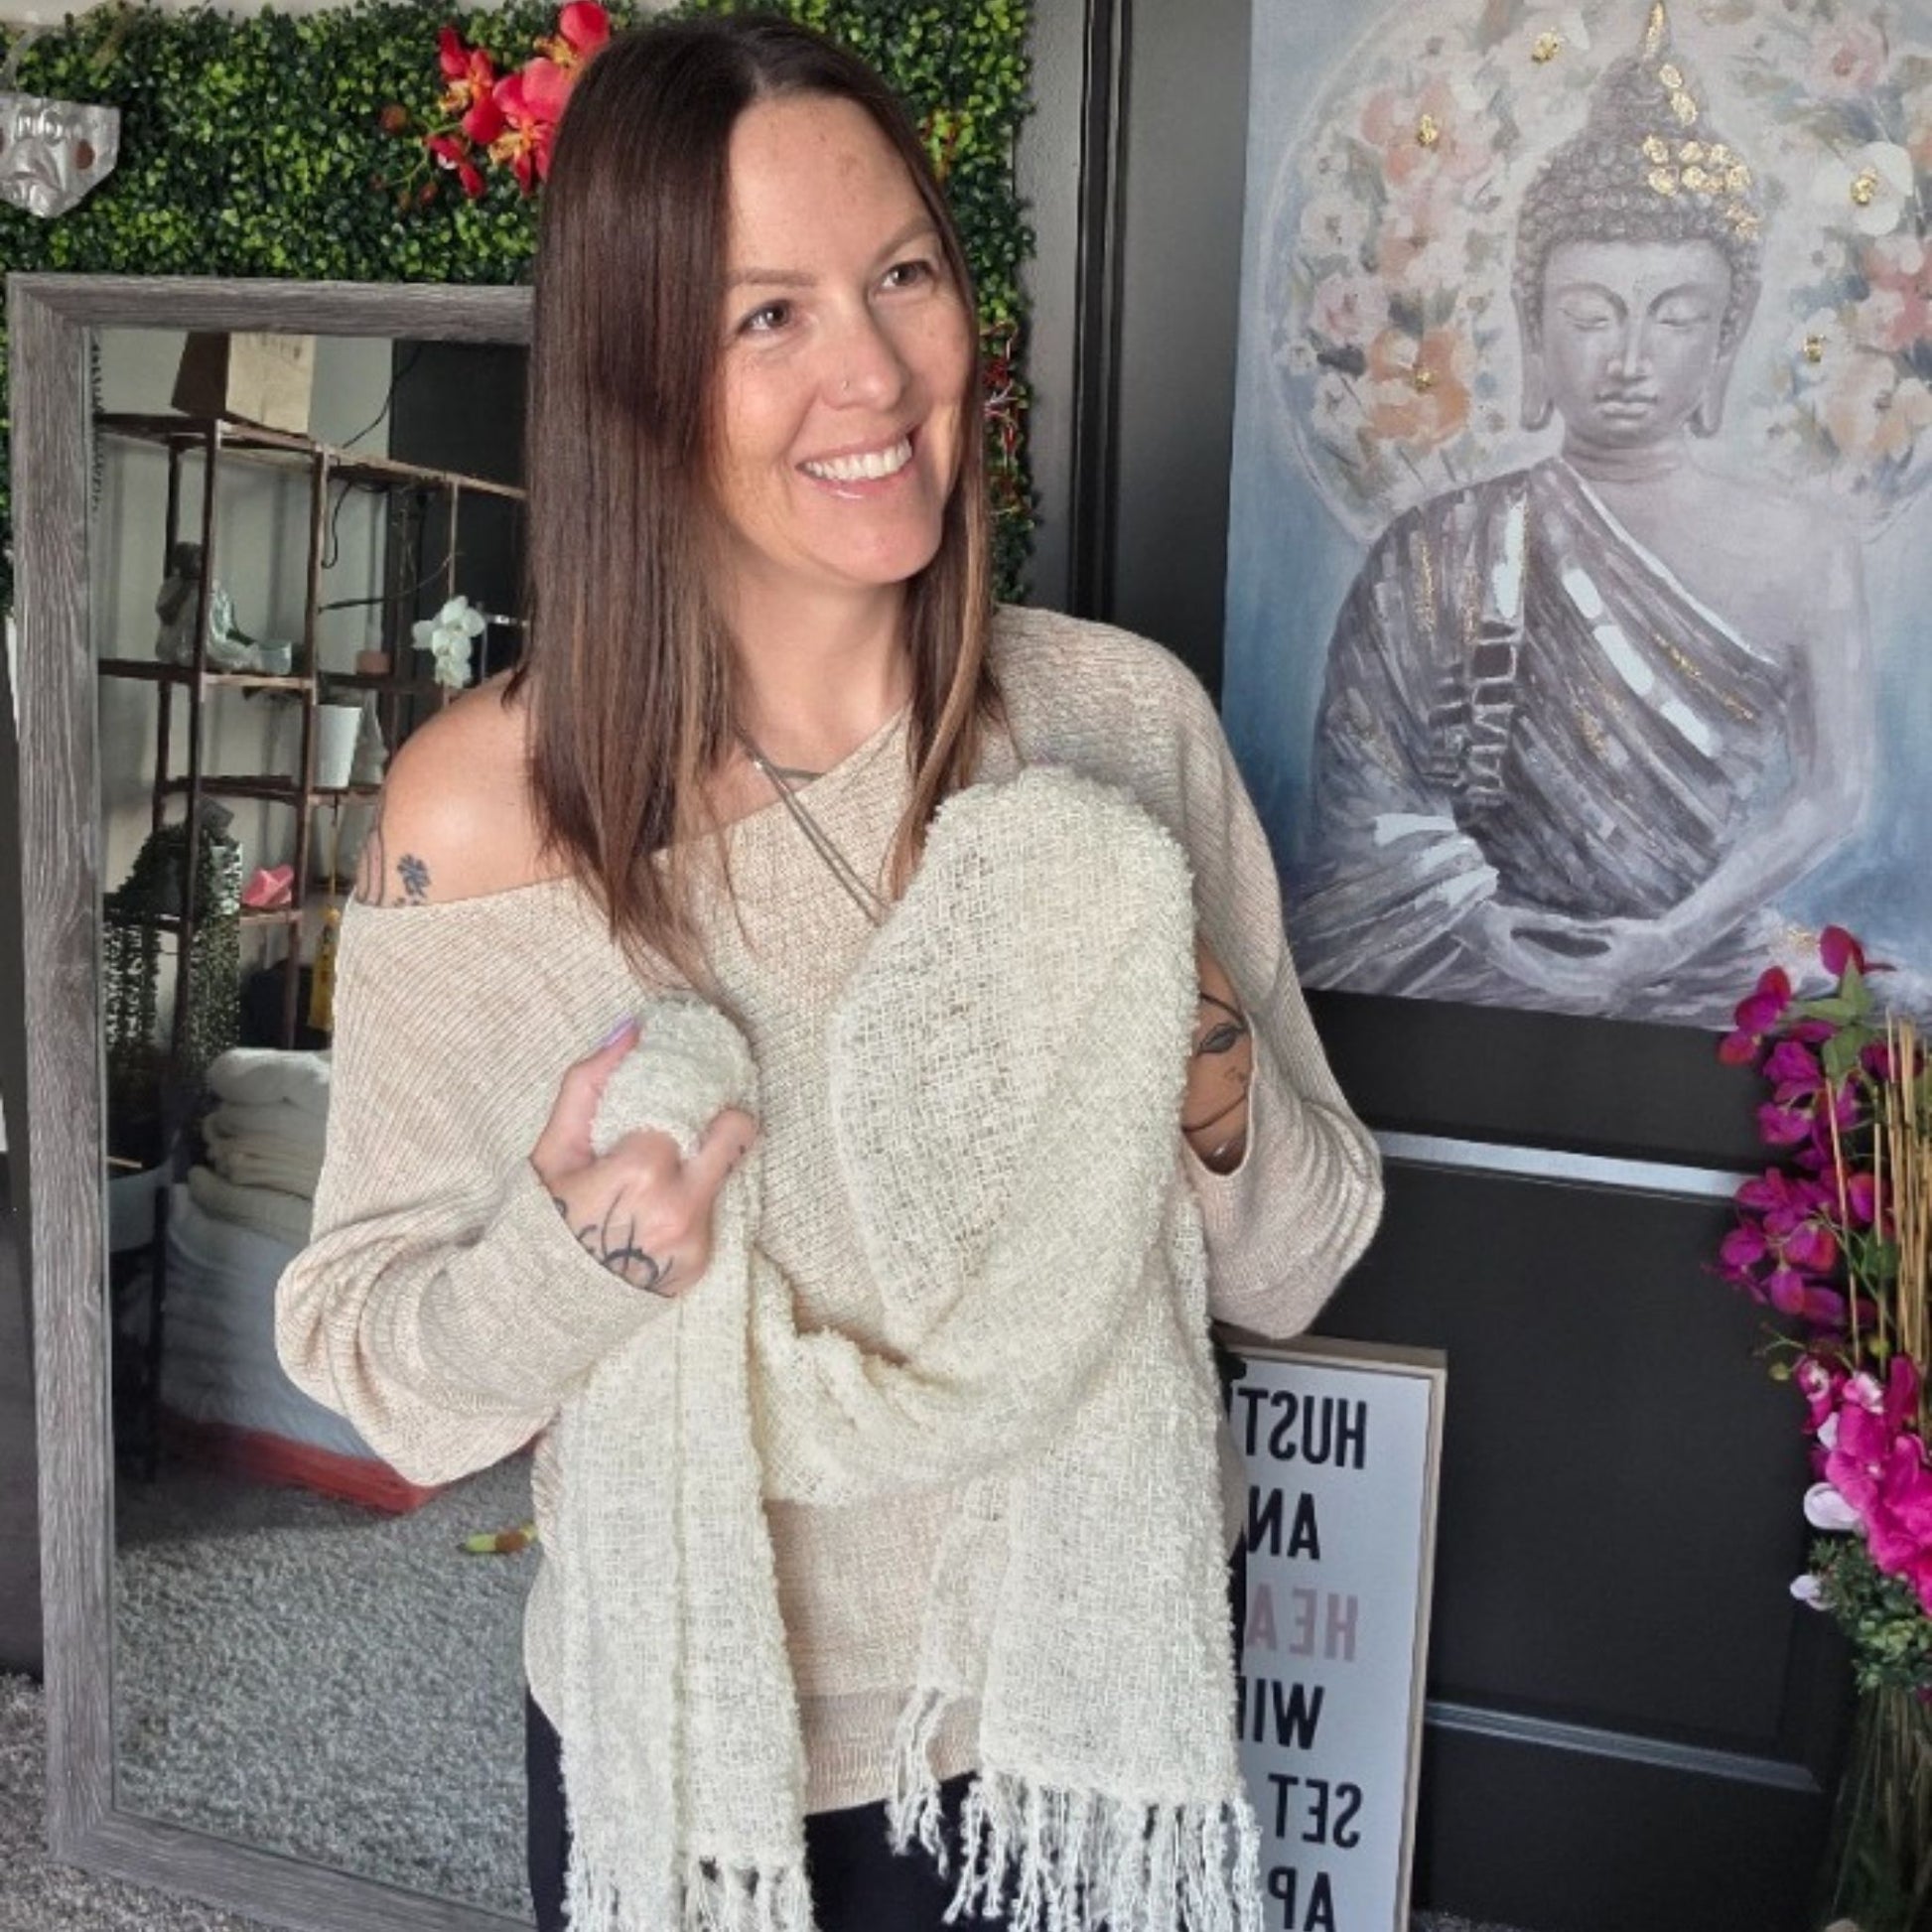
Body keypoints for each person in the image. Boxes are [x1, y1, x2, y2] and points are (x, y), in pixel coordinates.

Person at [275, 16, 1381, 1931]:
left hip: (1087, 1725)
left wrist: (1174, 1004)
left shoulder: (1115, 726)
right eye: (762, 317)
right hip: (718, 1764)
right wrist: (582, 1256)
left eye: (899, 277)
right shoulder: (490, 811)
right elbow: (384, 1376)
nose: (871, 371)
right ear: (634, 378)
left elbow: (1296, 1263)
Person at [1290, 8, 1871, 1024]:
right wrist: (1481, 919)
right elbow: (1365, 802)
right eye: (1591, 314)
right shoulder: (1435, 548)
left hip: (1701, 948)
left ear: (1724, 343)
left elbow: (1833, 791)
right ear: (1531, 327)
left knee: (1890, 1024)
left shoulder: (1802, 548)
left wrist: (1669, 938)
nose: (1629, 359)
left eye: (1675, 316)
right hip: (1471, 948)